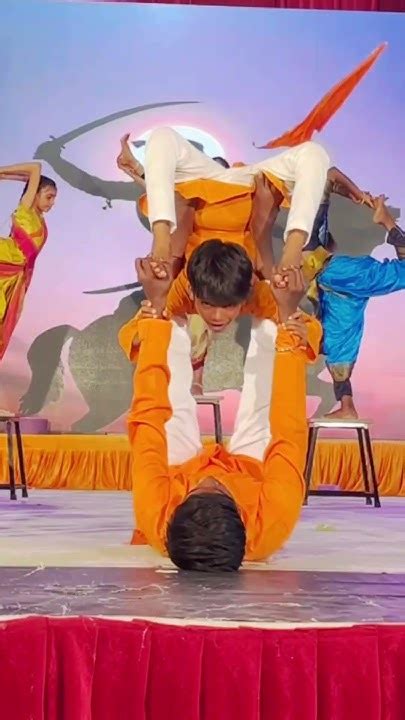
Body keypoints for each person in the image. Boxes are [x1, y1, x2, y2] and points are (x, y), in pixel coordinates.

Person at [123, 259, 322, 570]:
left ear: (173, 515)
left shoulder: (157, 515)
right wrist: (288, 332)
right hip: (251, 471)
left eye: (199, 490)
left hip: (178, 471)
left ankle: (163, 318)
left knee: (164, 346)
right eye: (219, 489)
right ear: (242, 515)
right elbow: (289, 431)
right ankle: (278, 321)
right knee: (275, 339)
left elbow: (147, 415)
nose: (211, 477)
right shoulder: (270, 523)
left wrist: (157, 311)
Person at [117, 44, 386, 273]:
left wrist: (137, 168)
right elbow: (328, 176)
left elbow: (168, 189)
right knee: (314, 153)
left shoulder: (189, 253)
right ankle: (295, 243)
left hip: (207, 178)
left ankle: (160, 234)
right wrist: (358, 196)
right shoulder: (251, 257)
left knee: (162, 136)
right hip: (250, 182)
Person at [303, 195, 405, 419]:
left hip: (337, 275)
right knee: (340, 350)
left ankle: (347, 407)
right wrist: (356, 193)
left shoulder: (345, 274)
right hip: (341, 284)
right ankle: (347, 407)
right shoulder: (338, 333)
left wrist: (356, 194)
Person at [0, 162, 57, 361]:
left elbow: (31, 177)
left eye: (54, 198)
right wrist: (2, 172)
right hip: (4, 261)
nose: (52, 203)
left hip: (14, 277)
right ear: (35, 194)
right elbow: (35, 168)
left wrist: (7, 177)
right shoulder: (26, 208)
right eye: (49, 196)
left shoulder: (40, 219)